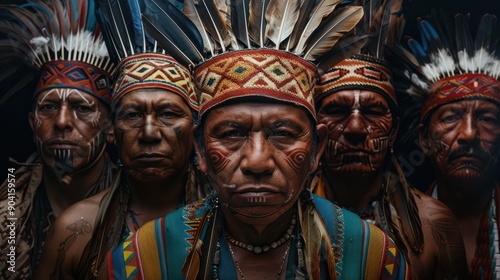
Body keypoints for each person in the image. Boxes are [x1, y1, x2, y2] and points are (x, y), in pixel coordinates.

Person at [103, 0, 409, 278]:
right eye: (232, 134)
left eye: (284, 134)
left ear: (317, 150)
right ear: (200, 150)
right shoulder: (147, 258)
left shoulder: (370, 257)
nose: (258, 161)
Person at [35, 0, 202, 278]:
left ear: (196, 132)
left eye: (168, 114)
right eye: (133, 115)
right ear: (111, 130)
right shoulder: (76, 229)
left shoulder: (229, 222)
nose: (149, 133)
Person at [310, 1, 468, 279]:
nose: (356, 128)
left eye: (373, 111)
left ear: (393, 130)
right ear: (315, 132)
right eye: (337, 110)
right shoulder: (283, 219)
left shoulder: (434, 224)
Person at [0, 0, 116, 278]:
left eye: (82, 108)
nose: (62, 122)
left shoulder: (140, 203)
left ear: (110, 127)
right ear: (32, 123)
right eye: (48, 107)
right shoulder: (8, 205)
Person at [386, 12, 500, 278]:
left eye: (487, 118)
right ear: (424, 139)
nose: (469, 134)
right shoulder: (390, 227)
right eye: (451, 118)